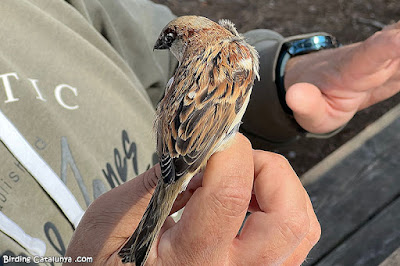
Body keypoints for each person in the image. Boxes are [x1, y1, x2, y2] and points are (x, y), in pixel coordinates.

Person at [0, 0, 398, 265]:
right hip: (180, 173)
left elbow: (187, 87)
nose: (169, 50)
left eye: (172, 44)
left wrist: (283, 80)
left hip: (183, 175)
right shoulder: (225, 56)